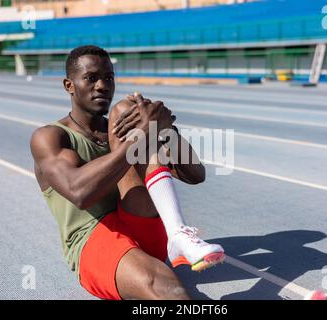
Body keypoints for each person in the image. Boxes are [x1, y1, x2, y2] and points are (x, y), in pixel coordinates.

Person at [30, 45, 225, 300]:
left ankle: (177, 234)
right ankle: (173, 241)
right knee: (169, 289)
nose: (102, 85)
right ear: (69, 85)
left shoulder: (124, 124)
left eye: (108, 78)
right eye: (90, 78)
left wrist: (165, 130)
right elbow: (80, 193)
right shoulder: (51, 137)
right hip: (93, 239)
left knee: (126, 109)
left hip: (139, 222)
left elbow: (195, 174)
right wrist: (144, 133)